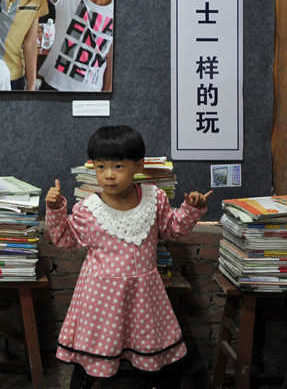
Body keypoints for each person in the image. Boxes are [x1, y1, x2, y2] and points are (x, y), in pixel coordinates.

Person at [45, 124, 212, 388]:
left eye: (118, 167)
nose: (108, 176)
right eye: (101, 167)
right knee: (99, 358)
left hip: (144, 295)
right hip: (100, 299)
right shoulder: (88, 209)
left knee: (148, 357)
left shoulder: (154, 199)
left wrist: (192, 208)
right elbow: (65, 239)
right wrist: (55, 209)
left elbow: (172, 230)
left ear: (139, 166)